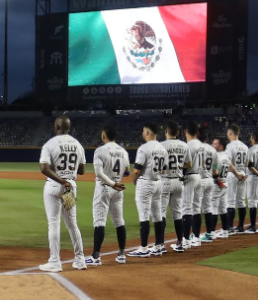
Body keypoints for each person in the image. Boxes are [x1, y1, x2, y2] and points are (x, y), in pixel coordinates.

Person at [38, 116, 86, 272]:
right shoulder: (78, 145)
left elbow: (44, 168)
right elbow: (82, 170)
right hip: (70, 187)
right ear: (68, 128)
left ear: (56, 126)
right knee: (72, 223)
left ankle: (55, 262)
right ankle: (80, 260)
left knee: (53, 223)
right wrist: (67, 177)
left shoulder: (49, 144)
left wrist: (60, 179)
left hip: (54, 186)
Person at [87, 125, 129, 266]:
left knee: (100, 221)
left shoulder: (100, 150)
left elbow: (99, 173)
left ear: (103, 136)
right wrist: (116, 179)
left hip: (105, 187)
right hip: (118, 188)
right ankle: (122, 254)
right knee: (119, 220)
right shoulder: (123, 151)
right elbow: (128, 171)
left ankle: (96, 257)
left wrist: (111, 182)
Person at [128, 122, 168, 257]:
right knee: (157, 216)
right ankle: (159, 245)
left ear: (147, 132)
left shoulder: (144, 148)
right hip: (158, 183)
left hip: (145, 183)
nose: (142, 133)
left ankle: (144, 248)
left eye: (143, 131)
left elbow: (137, 169)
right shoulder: (162, 148)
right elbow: (164, 170)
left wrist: (134, 179)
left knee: (144, 216)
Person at [159, 121, 191, 251]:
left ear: (166, 131)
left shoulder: (160, 146)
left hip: (165, 180)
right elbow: (189, 164)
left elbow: (159, 166)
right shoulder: (184, 146)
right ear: (178, 132)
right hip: (178, 181)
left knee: (161, 213)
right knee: (177, 214)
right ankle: (179, 243)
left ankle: (160, 244)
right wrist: (178, 166)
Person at [224, 124, 249, 233]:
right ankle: (240, 226)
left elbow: (228, 162)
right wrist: (243, 173)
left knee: (230, 201)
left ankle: (229, 227)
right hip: (243, 173)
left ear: (230, 133)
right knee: (241, 201)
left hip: (233, 174)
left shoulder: (230, 146)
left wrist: (236, 173)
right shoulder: (245, 146)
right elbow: (248, 163)